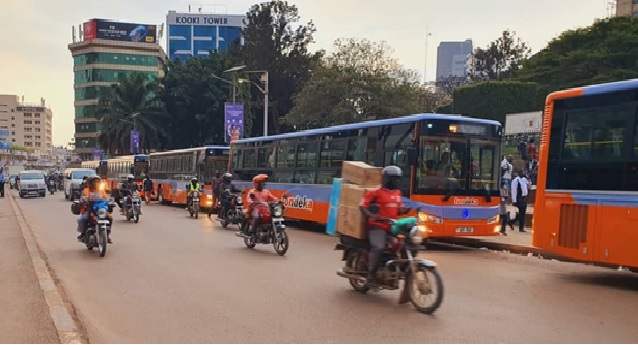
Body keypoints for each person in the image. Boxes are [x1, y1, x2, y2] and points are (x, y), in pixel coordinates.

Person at [359, 166, 416, 286]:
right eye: (395, 179)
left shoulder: (397, 193)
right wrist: (372, 215)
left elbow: (399, 209)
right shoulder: (375, 192)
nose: (398, 182)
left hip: (392, 226)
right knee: (379, 247)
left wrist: (406, 210)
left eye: (398, 179)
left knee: (409, 243)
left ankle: (401, 269)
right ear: (387, 179)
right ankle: (371, 275)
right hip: (378, 226)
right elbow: (362, 206)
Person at [77, 177, 111, 243]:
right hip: (88, 209)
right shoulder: (86, 190)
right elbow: (82, 199)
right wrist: (82, 202)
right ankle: (83, 234)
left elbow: (106, 199)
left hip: (100, 210)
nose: (95, 183)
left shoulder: (101, 191)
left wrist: (110, 203)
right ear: (89, 183)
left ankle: (107, 234)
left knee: (110, 218)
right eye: (94, 182)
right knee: (82, 219)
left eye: (97, 182)